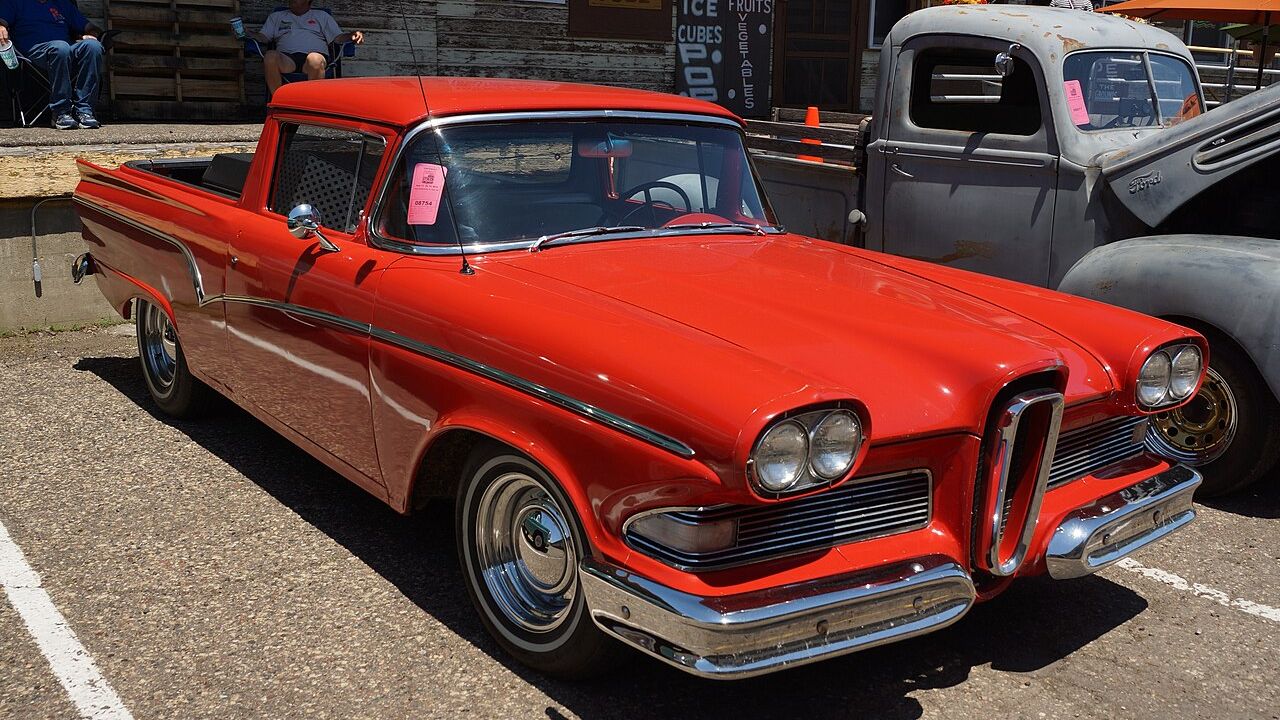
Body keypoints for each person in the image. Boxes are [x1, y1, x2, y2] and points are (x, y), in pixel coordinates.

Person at [0, 0, 103, 129]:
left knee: (93, 46)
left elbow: (91, 27)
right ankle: (61, 113)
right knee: (60, 47)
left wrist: (91, 34)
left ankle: (85, 111)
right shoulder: (15, 2)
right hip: (33, 53)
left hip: (65, 50)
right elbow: (1, 21)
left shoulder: (63, 4)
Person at [251, 0, 363, 97]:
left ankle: (312, 103)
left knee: (314, 59)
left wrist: (352, 35)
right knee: (270, 56)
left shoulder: (321, 16)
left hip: (314, 59)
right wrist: (246, 33)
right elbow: (263, 37)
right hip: (287, 59)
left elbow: (337, 38)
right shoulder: (277, 17)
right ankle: (280, 102)